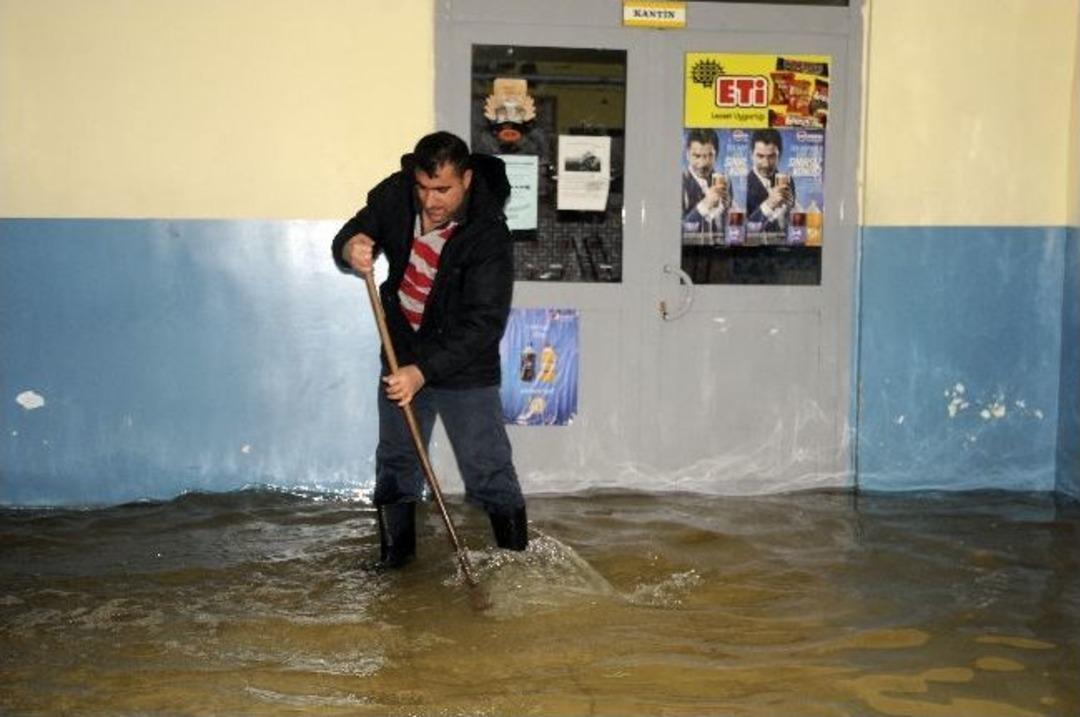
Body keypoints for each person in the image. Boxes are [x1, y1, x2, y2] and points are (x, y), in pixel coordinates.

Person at [331, 131, 528, 568]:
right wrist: (352, 246)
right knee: (397, 462)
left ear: (468, 179)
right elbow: (350, 233)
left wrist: (422, 372)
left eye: (443, 190)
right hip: (401, 351)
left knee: (487, 469)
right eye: (423, 187)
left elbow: (484, 325)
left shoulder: (488, 234)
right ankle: (395, 565)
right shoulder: (398, 196)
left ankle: (517, 567)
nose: (430, 201)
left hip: (464, 365)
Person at [681, 129, 730, 243]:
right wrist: (705, 205)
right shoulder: (678, 183)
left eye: (709, 156)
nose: (703, 163)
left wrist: (728, 211)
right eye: (697, 156)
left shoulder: (725, 181)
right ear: (687, 155)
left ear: (716, 155)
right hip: (690, 256)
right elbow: (676, 233)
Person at [746, 128, 795, 238]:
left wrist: (791, 212)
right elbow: (741, 232)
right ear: (751, 155)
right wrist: (769, 204)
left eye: (772, 156)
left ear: (780, 155)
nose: (766, 164)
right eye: (760, 156)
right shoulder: (741, 184)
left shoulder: (788, 181)